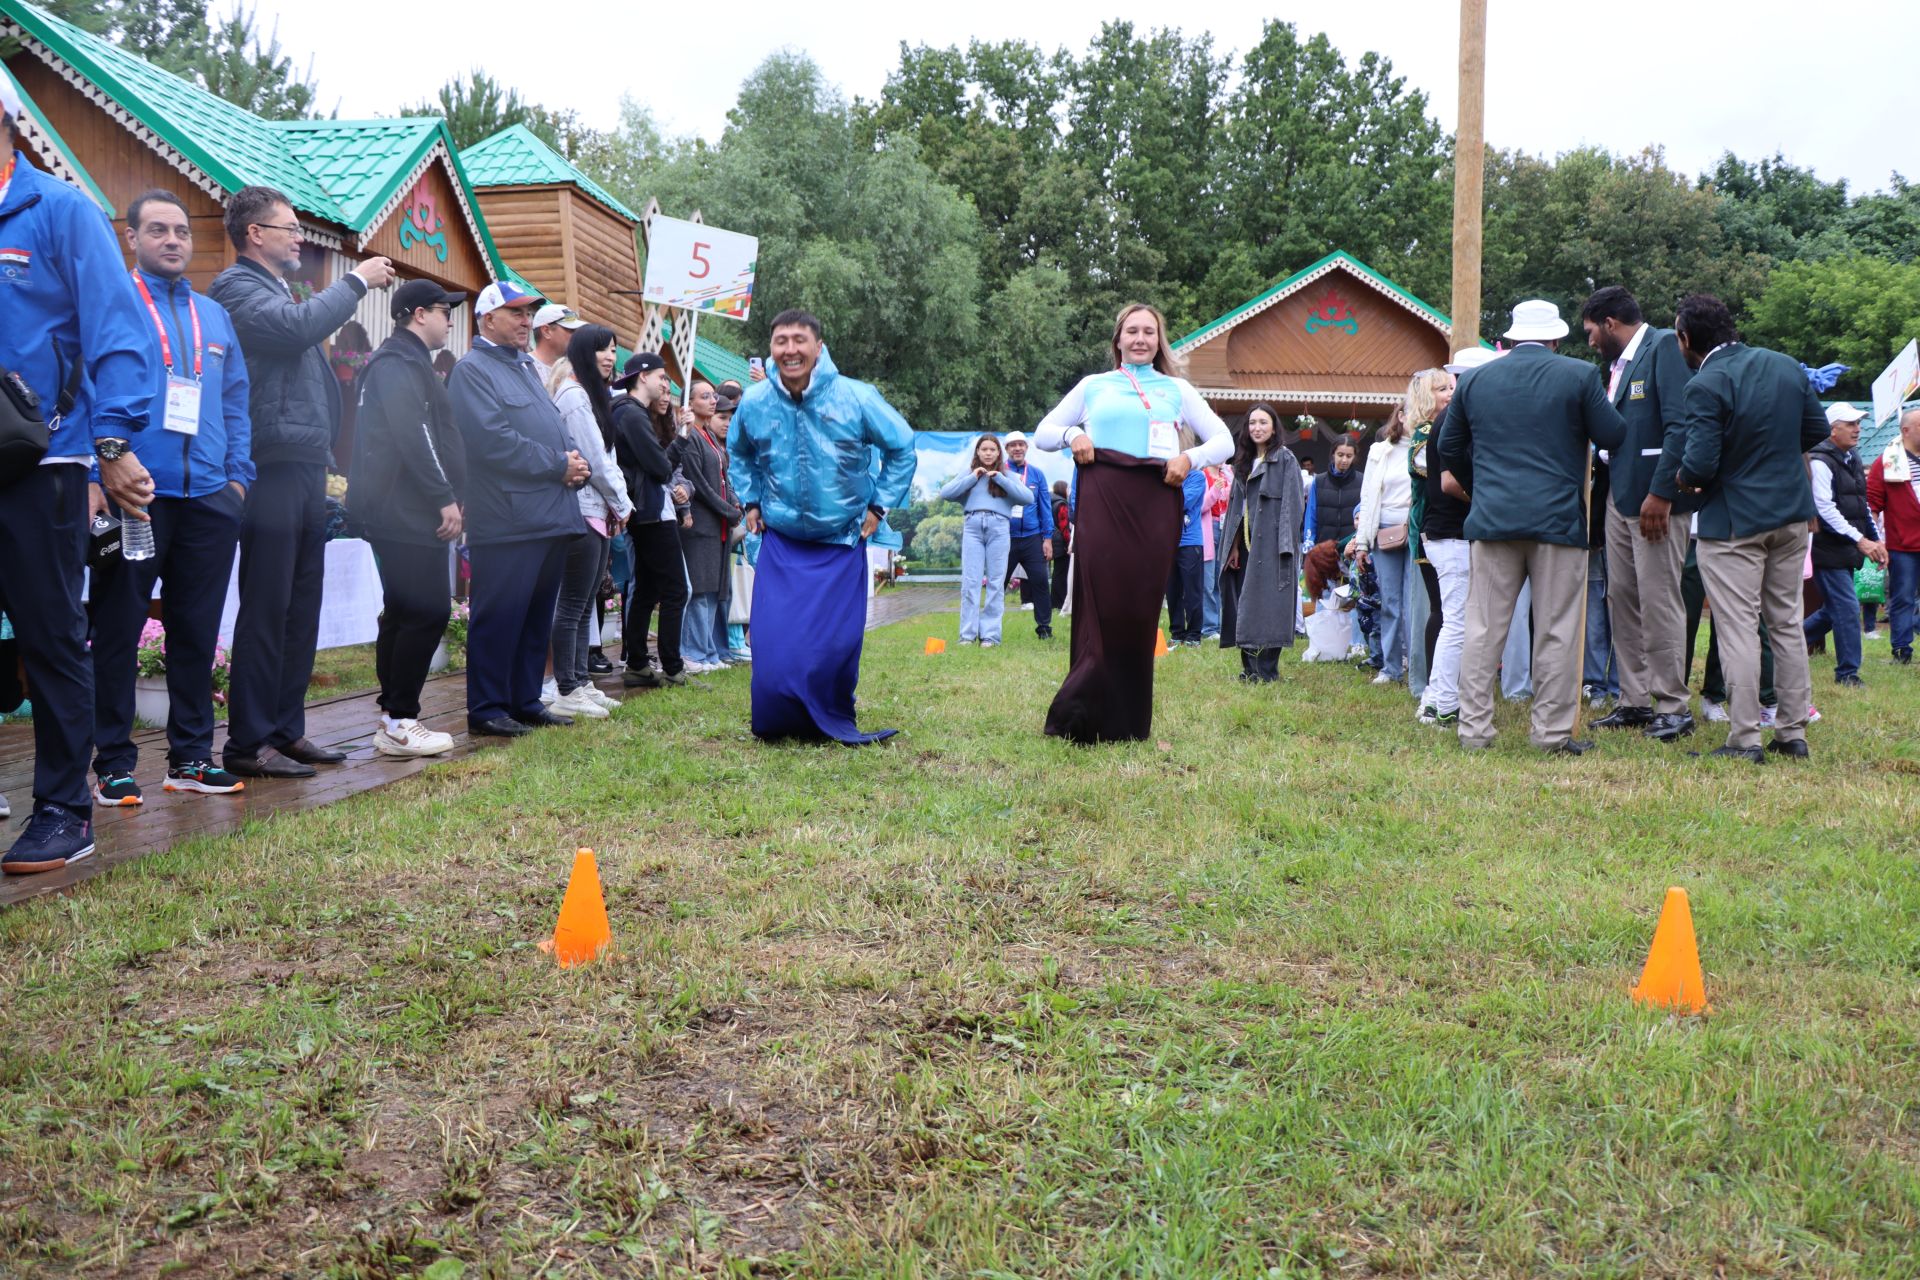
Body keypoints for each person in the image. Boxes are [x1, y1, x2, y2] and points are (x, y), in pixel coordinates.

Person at [0, 94, 162, 873]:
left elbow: (117, 332)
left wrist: (111, 441)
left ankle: (65, 808)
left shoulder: (60, 212)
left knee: (51, 635)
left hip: (41, 459)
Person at [210, 185, 395, 780]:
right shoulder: (236, 288)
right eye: (289, 227)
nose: (299, 237)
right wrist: (358, 281)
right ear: (254, 234)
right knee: (268, 606)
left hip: (303, 462)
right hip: (269, 463)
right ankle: (247, 743)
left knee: (298, 606)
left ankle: (285, 731)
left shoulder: (276, 289)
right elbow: (295, 329)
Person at [88, 190, 253, 806]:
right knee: (118, 628)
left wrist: (238, 477)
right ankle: (113, 763)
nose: (173, 240)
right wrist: (95, 475)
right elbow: (83, 389)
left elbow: (235, 400)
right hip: (135, 494)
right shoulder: (111, 304)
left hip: (210, 495)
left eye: (181, 231)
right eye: (157, 230)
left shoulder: (214, 315)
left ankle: (189, 757)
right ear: (131, 238)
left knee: (195, 630)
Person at [1033, 302, 1233, 743]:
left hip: (1155, 503)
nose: (1140, 339)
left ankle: (1126, 722)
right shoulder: (1093, 386)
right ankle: (1078, 713)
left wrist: (1190, 457)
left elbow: (1225, 441)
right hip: (1102, 501)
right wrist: (1073, 434)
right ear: (1118, 339)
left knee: (1140, 609)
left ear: (1159, 341)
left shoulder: (1176, 390)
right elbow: (1043, 432)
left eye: (1149, 332)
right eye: (1132, 331)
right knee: (1101, 602)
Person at [1437, 299, 1626, 755]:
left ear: (1512, 337)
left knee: (1483, 628)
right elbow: (1615, 436)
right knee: (1557, 629)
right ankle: (1551, 734)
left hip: (1492, 519)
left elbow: (1448, 446)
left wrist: (1481, 488)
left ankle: (1474, 730)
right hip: (1557, 521)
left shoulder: (1476, 379)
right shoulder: (1578, 375)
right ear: (1556, 339)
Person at [729, 309, 916, 743]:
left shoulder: (856, 397)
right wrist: (751, 498)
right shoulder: (756, 402)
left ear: (818, 346)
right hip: (782, 543)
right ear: (771, 348)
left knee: (830, 650)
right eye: (780, 340)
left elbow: (902, 447)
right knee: (773, 649)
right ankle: (778, 721)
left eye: (799, 340)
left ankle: (828, 716)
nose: (790, 349)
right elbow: (738, 451)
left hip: (841, 541)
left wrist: (879, 506)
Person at [1671, 293, 1826, 762]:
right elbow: (1815, 428)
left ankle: (1743, 738)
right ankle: (1791, 732)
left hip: (1734, 522)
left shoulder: (1705, 384)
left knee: (1737, 627)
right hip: (1790, 515)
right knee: (1786, 623)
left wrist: (1684, 478)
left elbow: (1698, 464)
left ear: (1684, 338)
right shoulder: (1784, 365)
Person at [448, 281, 592, 737]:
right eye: (517, 314)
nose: (527, 321)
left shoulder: (525, 367)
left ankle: (524, 699)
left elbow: (547, 426)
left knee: (534, 617)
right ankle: (488, 708)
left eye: (530, 314)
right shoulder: (473, 370)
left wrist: (573, 461)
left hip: (548, 513)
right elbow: (492, 441)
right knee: (501, 616)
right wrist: (557, 464)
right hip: (508, 518)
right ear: (488, 318)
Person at [346, 278, 467, 758]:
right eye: (444, 310)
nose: (451, 319)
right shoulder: (397, 362)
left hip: (407, 506)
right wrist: (444, 496)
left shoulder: (412, 362)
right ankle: (400, 719)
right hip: (403, 508)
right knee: (427, 608)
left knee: (404, 609)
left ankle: (395, 717)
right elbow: (412, 435)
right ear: (419, 313)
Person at [1579, 287, 1695, 742]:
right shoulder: (1616, 364)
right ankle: (1634, 700)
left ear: (1610, 323)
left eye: (1590, 331)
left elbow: (1681, 425)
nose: (1589, 341)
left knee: (1659, 599)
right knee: (1621, 598)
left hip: (1655, 501)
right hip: (1617, 497)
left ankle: (1673, 705)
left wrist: (1663, 493)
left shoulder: (1663, 345)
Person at [545, 324, 632, 720]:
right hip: (581, 510)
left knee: (584, 608)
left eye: (614, 350)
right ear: (583, 352)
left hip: (597, 510)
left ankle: (580, 682)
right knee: (573, 605)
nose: (611, 357)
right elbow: (595, 460)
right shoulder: (575, 396)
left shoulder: (590, 396)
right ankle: (566, 687)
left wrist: (615, 505)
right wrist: (623, 503)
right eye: (602, 350)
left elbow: (604, 458)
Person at [610, 352, 693, 688]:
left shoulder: (629, 413)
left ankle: (639, 664)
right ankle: (673, 668)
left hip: (643, 511)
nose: (665, 383)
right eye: (661, 377)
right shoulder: (631, 414)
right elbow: (660, 468)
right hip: (651, 514)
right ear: (642, 376)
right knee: (674, 590)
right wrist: (683, 439)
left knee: (645, 589)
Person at [1217, 403, 1305, 680]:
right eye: (1252, 422)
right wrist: (1231, 546)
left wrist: (1285, 548)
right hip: (1243, 545)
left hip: (1273, 546)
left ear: (1274, 427)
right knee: (1245, 602)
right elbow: (1234, 508)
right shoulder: (1242, 462)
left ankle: (1267, 670)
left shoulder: (1285, 459)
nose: (1257, 428)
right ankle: (1248, 668)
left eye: (1263, 422)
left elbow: (1293, 506)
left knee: (1270, 604)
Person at [1804, 402, 1883, 687]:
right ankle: (1848, 674)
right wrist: (1861, 540)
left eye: (1858, 423)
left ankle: (1784, 646)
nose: (1857, 429)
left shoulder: (1851, 457)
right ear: (1832, 428)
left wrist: (1875, 539)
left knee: (1835, 608)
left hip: (1845, 547)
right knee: (1846, 608)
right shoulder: (1820, 460)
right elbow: (1824, 509)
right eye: (1850, 424)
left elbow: (1863, 506)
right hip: (1826, 547)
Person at [1408, 368, 1466, 724]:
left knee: (1447, 613)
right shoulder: (1427, 433)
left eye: (1451, 387)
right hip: (1433, 527)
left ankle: (1442, 688)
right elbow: (1432, 472)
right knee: (1442, 612)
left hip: (1440, 529)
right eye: (1442, 389)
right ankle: (1434, 689)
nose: (1449, 393)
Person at [674, 377, 742, 674]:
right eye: (705, 396)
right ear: (690, 403)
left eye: (713, 395)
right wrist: (729, 510)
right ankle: (693, 652)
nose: (713, 400)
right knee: (700, 590)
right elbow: (699, 484)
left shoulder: (709, 437)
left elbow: (723, 477)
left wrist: (734, 504)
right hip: (701, 524)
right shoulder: (690, 437)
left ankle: (709, 650)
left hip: (718, 525)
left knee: (714, 589)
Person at [941, 434, 1032, 646]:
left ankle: (990, 635)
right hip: (972, 527)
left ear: (999, 453)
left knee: (995, 582)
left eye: (993, 449)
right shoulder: (969, 474)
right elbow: (945, 493)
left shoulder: (1008, 475)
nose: (988, 453)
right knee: (970, 582)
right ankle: (967, 635)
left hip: (999, 527)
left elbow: (1028, 497)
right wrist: (973, 477)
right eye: (984, 449)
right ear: (978, 452)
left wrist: (998, 477)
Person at [1352, 408, 1415, 685]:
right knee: (1389, 601)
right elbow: (1368, 497)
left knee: (1414, 602)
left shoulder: (1427, 445)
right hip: (1385, 531)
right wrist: (1362, 542)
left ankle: (1417, 663)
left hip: (1416, 529)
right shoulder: (1380, 450)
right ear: (1400, 416)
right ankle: (1390, 667)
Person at [1865, 406, 1920, 667]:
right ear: (1906, 430)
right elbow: (1872, 506)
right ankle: (1901, 649)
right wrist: (1875, 541)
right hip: (1902, 546)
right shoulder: (1886, 461)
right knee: (1903, 598)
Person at [999, 431, 1057, 639]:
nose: (1017, 448)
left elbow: (1044, 507)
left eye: (1021, 445)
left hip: (1033, 537)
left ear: (1026, 448)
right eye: (1012, 445)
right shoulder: (999, 472)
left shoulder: (1036, 474)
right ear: (1006, 450)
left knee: (1040, 582)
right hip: (1005, 537)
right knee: (999, 584)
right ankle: (991, 629)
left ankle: (1044, 628)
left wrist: (1047, 538)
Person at [1165, 447, 1208, 646]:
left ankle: (1193, 635)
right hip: (1166, 542)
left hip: (1190, 542)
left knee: (1192, 592)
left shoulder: (1196, 477)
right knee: (1172, 591)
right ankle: (1176, 633)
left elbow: (1181, 501)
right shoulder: (1163, 474)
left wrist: (1166, 490)